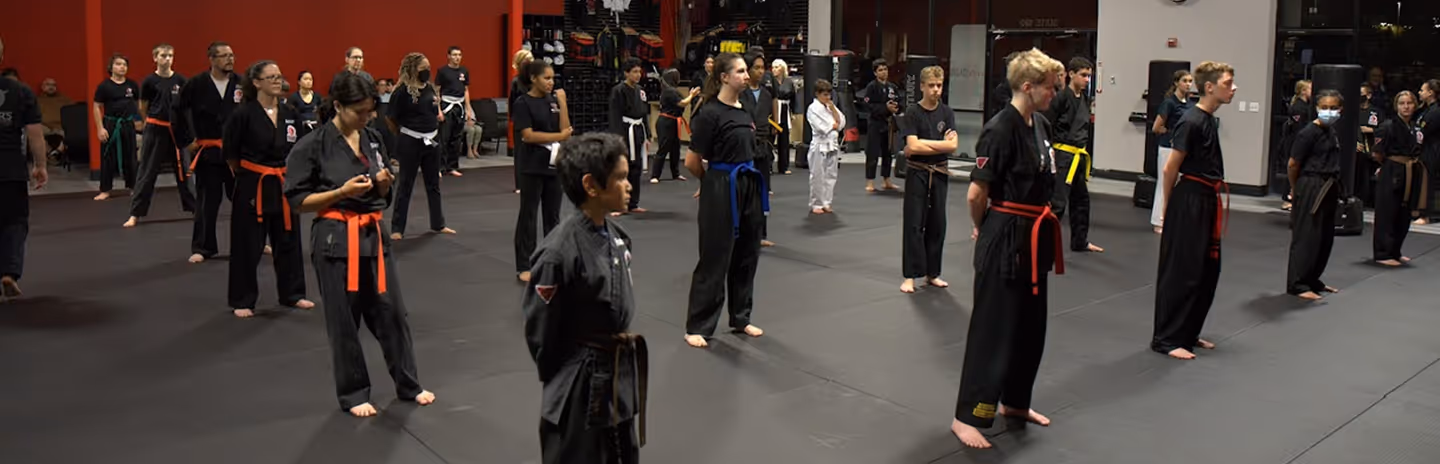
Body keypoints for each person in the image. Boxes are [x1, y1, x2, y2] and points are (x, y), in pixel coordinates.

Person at [285, 72, 435, 418]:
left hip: (373, 235)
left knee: (393, 314)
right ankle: (353, 393)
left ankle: (408, 384)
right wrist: (341, 193)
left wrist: (382, 184)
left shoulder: (372, 138)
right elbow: (297, 201)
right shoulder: (312, 145)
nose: (367, 117)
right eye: (360, 111)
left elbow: (383, 191)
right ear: (337, 106)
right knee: (344, 318)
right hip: (336, 240)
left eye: (370, 110)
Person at [951, 47, 1065, 450]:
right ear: (1028, 87)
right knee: (993, 330)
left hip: (1032, 238)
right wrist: (985, 230)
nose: (1055, 93)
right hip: (1004, 234)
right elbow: (975, 194)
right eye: (1050, 87)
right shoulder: (1000, 128)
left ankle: (1015, 402)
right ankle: (968, 417)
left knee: (1029, 328)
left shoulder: (1041, 125)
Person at [522, 133, 646, 464]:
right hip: (578, 382)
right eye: (620, 178)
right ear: (591, 186)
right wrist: (562, 376)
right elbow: (541, 332)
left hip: (615, 373)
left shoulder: (618, 238)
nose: (629, 183)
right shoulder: (557, 253)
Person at [1152, 61, 1236, 360]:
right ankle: (1167, 338)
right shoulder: (1190, 121)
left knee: (1206, 270)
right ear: (1209, 87)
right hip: (1188, 200)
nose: (1234, 88)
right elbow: (1169, 168)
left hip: (1207, 198)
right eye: (1228, 83)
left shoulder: (1209, 120)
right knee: (1182, 270)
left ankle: (1188, 332)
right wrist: (1169, 209)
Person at [683, 52, 768, 349]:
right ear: (724, 77)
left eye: (747, 70)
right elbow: (692, 161)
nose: (747, 75)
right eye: (741, 71)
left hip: (747, 184)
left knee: (747, 253)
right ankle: (698, 325)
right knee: (715, 256)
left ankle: (741, 317)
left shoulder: (745, 110)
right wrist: (711, 184)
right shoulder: (709, 113)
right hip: (721, 185)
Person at [222, 60, 312, 318]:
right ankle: (242, 299)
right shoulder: (242, 114)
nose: (276, 80)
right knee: (247, 244)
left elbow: (300, 149)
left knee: (288, 239)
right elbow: (231, 153)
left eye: (279, 76)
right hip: (254, 183)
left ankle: (293, 293)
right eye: (270, 77)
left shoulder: (290, 112)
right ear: (256, 82)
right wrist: (249, 174)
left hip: (284, 183)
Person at [897, 66, 958, 294]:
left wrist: (925, 145)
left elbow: (953, 146)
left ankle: (933, 273)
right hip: (917, 172)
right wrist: (938, 145)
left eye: (939, 85)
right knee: (914, 223)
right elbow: (912, 147)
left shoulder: (947, 113)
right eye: (931, 85)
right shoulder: (913, 112)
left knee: (937, 223)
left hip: (940, 173)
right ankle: (910, 276)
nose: (935, 90)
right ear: (922, 86)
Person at [0, 35, 50, 300]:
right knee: (15, 222)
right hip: (11, 170)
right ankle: (9, 273)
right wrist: (40, 166)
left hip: (10, 169)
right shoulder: (21, 91)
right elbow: (34, 134)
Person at [512, 61, 571, 283]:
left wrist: (563, 104)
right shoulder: (523, 102)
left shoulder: (554, 101)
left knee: (553, 216)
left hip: (554, 164)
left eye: (553, 78)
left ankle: (551, 260)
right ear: (534, 78)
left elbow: (566, 129)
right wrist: (559, 137)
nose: (551, 82)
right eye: (546, 78)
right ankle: (524, 264)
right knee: (528, 214)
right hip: (531, 165)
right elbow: (528, 135)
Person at [181, 41, 240, 264]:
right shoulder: (196, 84)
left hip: (237, 153)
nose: (230, 59)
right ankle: (203, 247)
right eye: (224, 56)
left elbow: (254, 113)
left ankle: (252, 241)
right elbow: (177, 111)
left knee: (245, 201)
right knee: (207, 202)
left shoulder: (241, 84)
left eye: (232, 55)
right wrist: (187, 140)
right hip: (208, 152)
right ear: (212, 59)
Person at [386, 52, 455, 240]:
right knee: (406, 185)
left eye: (428, 67)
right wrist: (403, 135)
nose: (427, 71)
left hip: (431, 141)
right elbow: (391, 118)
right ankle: (397, 229)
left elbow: (434, 112)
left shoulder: (430, 89)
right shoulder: (402, 91)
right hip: (411, 141)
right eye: (423, 68)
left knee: (433, 184)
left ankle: (438, 224)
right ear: (413, 69)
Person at [125, 43, 194, 227]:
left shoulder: (181, 80)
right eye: (163, 55)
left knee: (185, 173)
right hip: (155, 129)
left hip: (177, 131)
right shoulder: (149, 81)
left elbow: (187, 107)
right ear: (155, 58)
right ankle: (135, 214)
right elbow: (143, 106)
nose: (167, 59)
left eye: (170, 55)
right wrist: (148, 122)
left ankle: (195, 209)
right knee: (147, 173)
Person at [1286, 90, 1344, 300]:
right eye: (1325, 107)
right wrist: (1297, 188)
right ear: (1317, 108)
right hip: (1311, 184)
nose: (1329, 111)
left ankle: (1313, 279)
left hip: (1328, 185)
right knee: (1307, 235)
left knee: (1324, 236)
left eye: (1333, 107)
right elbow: (1293, 164)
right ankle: (1298, 284)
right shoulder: (1308, 133)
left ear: (1341, 110)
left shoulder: (1331, 132)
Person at [1046, 57, 1103, 253]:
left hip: (1079, 155)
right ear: (1071, 74)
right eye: (1084, 75)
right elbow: (1048, 124)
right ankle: (1044, 244)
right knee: (1058, 202)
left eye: (1089, 76)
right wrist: (1050, 152)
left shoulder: (1085, 100)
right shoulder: (1061, 98)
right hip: (1063, 154)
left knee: (1081, 201)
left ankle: (1080, 241)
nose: (1088, 79)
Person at [1371, 91, 1425, 267]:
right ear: (1396, 106)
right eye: (1402, 103)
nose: (1406, 106)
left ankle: (1396, 250)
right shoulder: (1387, 126)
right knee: (1387, 212)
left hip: (1410, 171)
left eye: (1409, 103)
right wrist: (1388, 166)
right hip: (1392, 169)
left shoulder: (1415, 128)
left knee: (1404, 213)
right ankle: (1382, 253)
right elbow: (1377, 153)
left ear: (1415, 105)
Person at [92, 53, 141, 201]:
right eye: (118, 64)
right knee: (107, 157)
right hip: (111, 123)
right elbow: (96, 107)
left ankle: (133, 187)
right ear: (111, 67)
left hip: (127, 123)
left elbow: (138, 104)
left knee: (131, 156)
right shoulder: (104, 86)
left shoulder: (132, 85)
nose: (122, 67)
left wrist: (140, 120)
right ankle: (105, 190)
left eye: (124, 65)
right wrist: (100, 128)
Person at [1151, 70, 1192, 233]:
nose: (1188, 84)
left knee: (1177, 185)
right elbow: (1156, 127)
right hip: (1167, 147)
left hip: (1180, 149)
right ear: (1176, 83)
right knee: (1164, 184)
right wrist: (1171, 134)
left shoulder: (1189, 104)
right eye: (1185, 81)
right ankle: (1158, 221)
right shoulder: (1169, 103)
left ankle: (1172, 218)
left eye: (1190, 81)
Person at [609, 58, 651, 216]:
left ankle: (633, 203)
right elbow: (614, 114)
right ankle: (618, 204)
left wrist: (648, 134)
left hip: (638, 129)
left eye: (639, 72)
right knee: (621, 169)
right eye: (634, 72)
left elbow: (645, 113)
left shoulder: (640, 90)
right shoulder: (618, 90)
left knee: (637, 168)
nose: (638, 75)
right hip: (625, 130)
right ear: (626, 73)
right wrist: (618, 138)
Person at [436, 46, 475, 178]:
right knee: (444, 138)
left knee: (456, 138)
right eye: (454, 55)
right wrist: (438, 110)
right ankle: (440, 167)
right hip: (447, 105)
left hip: (460, 106)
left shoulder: (464, 71)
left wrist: (469, 110)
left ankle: (452, 166)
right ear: (448, 56)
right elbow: (437, 91)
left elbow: (466, 90)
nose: (457, 57)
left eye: (459, 55)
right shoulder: (442, 71)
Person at [861, 59, 900, 192]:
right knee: (872, 152)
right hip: (875, 123)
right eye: (880, 70)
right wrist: (885, 108)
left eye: (885, 69)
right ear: (875, 73)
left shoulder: (892, 87)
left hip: (888, 124)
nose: (884, 72)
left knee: (887, 152)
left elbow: (898, 102)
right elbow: (867, 105)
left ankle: (886, 179)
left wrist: (895, 109)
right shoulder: (871, 87)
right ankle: (870, 181)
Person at [806, 79, 844, 214]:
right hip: (819, 145)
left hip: (832, 144)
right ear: (817, 94)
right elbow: (821, 127)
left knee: (831, 175)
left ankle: (826, 202)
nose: (828, 97)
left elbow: (841, 122)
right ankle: (816, 203)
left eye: (829, 94)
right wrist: (833, 125)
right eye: (825, 95)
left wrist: (833, 109)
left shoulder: (829, 107)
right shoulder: (813, 108)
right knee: (817, 175)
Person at [651, 69, 694, 183]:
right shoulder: (670, 91)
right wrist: (692, 95)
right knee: (664, 148)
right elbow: (682, 103)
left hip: (674, 121)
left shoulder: (671, 90)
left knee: (675, 148)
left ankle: (676, 173)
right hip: (666, 122)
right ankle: (655, 175)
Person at [1280, 80, 1314, 211]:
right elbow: (1299, 129)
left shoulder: (1306, 106)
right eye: (1310, 89)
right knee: (1293, 169)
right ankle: (1288, 198)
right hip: (1294, 142)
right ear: (1303, 91)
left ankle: (1295, 196)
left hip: (1297, 142)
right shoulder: (1298, 108)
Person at [509, 49, 536, 195]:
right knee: (520, 153)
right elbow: (512, 103)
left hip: (536, 120)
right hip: (521, 122)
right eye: (527, 60)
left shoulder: (536, 80)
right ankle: (520, 184)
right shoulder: (515, 82)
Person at [1355, 83, 1383, 207]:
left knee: (1372, 178)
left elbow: (1384, 129)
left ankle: (1371, 201)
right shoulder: (1352, 111)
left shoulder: (1376, 112)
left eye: (1362, 95)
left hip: (1373, 150)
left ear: (1369, 95)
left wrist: (1372, 130)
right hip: (1357, 151)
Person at [1415, 80, 1439, 224]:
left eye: (1422, 90)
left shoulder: (1436, 111)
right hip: (1426, 150)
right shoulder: (1426, 110)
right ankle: (1420, 211)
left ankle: (1426, 215)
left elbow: (1424, 131)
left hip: (1433, 150)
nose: (1420, 92)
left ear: (1431, 93)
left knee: (1427, 182)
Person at [772, 59, 798, 175]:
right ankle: (768, 165)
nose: (774, 69)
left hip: (784, 109)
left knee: (784, 139)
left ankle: (784, 166)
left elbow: (793, 98)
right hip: (773, 109)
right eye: (773, 67)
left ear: (783, 68)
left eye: (777, 67)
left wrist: (793, 112)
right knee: (770, 138)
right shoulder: (770, 81)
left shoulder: (788, 81)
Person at [37, 78, 72, 162]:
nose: (51, 87)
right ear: (42, 87)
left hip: (61, 126)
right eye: (48, 84)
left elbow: (74, 113)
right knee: (34, 129)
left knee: (72, 130)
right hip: (45, 126)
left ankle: (57, 152)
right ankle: (50, 153)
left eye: (53, 85)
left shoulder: (64, 100)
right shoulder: (37, 100)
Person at [290, 70, 321, 140]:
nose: (309, 81)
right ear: (299, 82)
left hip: (316, 129)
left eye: (310, 79)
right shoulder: (294, 97)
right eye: (305, 79)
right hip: (301, 130)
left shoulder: (317, 96)